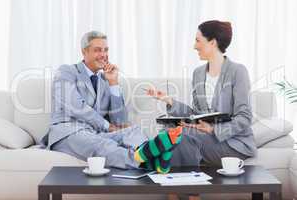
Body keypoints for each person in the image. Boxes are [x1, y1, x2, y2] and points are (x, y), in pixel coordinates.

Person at [40, 31, 183, 173]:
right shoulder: (67, 71)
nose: (103, 55)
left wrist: (113, 83)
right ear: (84, 52)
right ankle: (143, 159)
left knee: (133, 131)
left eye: (106, 50)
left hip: (95, 133)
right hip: (69, 133)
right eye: (97, 50)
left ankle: (153, 157)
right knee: (101, 144)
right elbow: (76, 106)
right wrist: (107, 126)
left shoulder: (104, 80)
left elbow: (120, 121)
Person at [146, 20, 257, 200]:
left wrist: (213, 129)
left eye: (198, 40)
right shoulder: (198, 73)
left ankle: (187, 197)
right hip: (205, 138)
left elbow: (244, 117)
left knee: (182, 137)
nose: (194, 46)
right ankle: (175, 194)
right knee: (171, 132)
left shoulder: (237, 71)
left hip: (233, 142)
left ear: (212, 42)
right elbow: (196, 114)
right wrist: (169, 100)